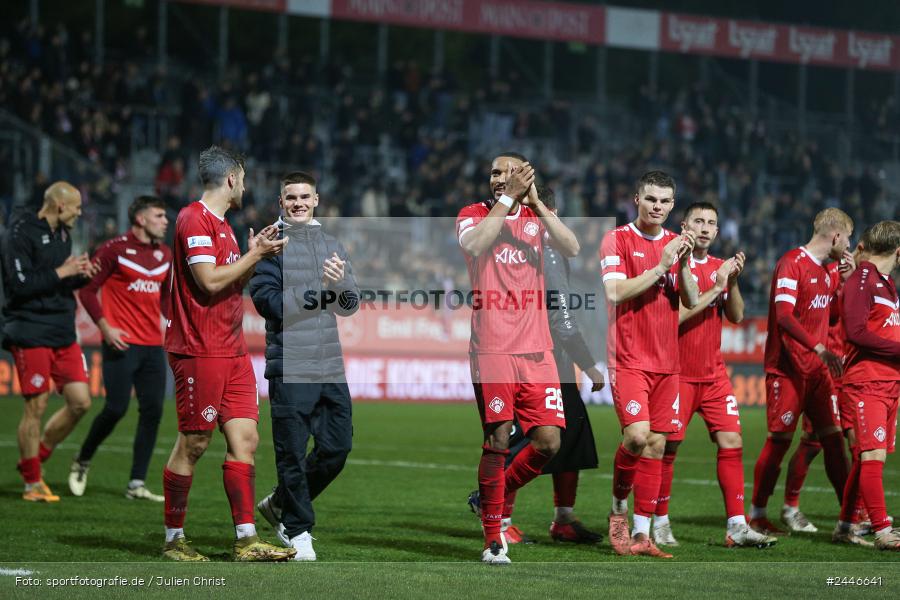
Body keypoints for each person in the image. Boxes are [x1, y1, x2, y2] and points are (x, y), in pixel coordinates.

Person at [160, 145, 294, 562]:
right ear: (233, 178)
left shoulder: (224, 227)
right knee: (195, 442)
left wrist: (255, 254)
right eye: (245, 178)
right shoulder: (192, 219)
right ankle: (173, 539)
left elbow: (230, 281)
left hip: (232, 349)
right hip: (200, 349)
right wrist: (255, 255)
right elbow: (209, 282)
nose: (246, 186)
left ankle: (246, 539)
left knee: (246, 438)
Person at [456, 153, 580, 564]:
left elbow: (573, 247)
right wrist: (507, 202)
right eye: (494, 172)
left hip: (537, 348)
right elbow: (474, 245)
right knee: (498, 439)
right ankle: (494, 538)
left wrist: (537, 204)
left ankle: (491, 497)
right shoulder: (473, 214)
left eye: (509, 174)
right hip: (493, 347)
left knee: (548, 442)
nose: (499, 179)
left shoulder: (536, 219)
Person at [467, 184, 605, 545]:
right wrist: (587, 363)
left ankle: (561, 517)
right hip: (542, 354)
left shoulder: (550, 245)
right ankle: (502, 514)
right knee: (519, 438)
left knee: (565, 437)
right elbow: (559, 313)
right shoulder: (545, 248)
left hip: (544, 352)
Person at [650, 202, 775, 548]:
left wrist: (731, 283)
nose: (705, 228)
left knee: (732, 442)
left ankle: (737, 525)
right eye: (698, 221)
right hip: (676, 373)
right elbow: (671, 319)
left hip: (714, 374)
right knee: (668, 447)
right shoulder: (670, 265)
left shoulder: (722, 268)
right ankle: (660, 521)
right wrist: (716, 287)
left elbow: (735, 316)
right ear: (684, 226)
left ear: (718, 231)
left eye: (711, 223)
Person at [251, 171, 360, 562]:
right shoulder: (270, 247)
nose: (298, 203)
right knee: (292, 454)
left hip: (329, 366)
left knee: (337, 448)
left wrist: (342, 285)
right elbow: (269, 304)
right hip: (289, 366)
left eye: (304, 197)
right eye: (290, 198)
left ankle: (280, 503)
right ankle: (297, 530)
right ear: (281, 203)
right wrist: (320, 288)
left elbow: (350, 307)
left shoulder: (332, 244)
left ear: (316, 200)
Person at [599, 170, 700, 558]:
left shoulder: (677, 244)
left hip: (667, 362)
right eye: (651, 199)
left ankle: (643, 536)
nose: (657, 207)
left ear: (672, 205)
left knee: (657, 446)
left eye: (665, 201)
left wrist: (685, 265)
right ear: (636, 199)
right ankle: (618, 509)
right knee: (637, 437)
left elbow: (690, 299)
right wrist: (661, 266)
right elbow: (615, 290)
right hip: (629, 358)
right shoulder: (617, 239)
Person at [749, 208, 854, 535]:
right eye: (847, 239)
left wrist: (845, 281)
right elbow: (783, 316)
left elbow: (834, 316)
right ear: (835, 236)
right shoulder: (792, 262)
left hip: (818, 372)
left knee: (834, 442)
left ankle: (849, 519)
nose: (849, 246)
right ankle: (757, 514)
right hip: (787, 369)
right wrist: (818, 347)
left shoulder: (829, 270)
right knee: (779, 440)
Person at [69, 195, 171, 501]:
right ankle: (83, 459)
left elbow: (165, 299)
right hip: (121, 342)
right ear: (140, 219)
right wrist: (104, 327)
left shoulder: (165, 254)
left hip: (154, 346)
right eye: (159, 215)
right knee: (115, 408)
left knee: (153, 411)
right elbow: (87, 291)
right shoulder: (114, 249)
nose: (165, 221)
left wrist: (174, 323)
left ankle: (136, 483)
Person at [1, 181, 96, 502]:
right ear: (59, 206)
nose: (79, 213)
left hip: (61, 329)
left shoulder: (63, 233)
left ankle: (35, 456)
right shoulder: (18, 234)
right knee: (36, 405)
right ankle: (32, 484)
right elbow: (19, 284)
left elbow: (58, 278)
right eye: (76, 208)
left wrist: (81, 273)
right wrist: (62, 271)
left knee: (81, 401)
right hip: (29, 328)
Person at [834, 220, 900, 550]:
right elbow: (856, 333)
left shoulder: (886, 283)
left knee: (866, 459)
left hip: (889, 383)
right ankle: (883, 530)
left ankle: (845, 527)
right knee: (872, 456)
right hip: (867, 382)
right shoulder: (863, 279)